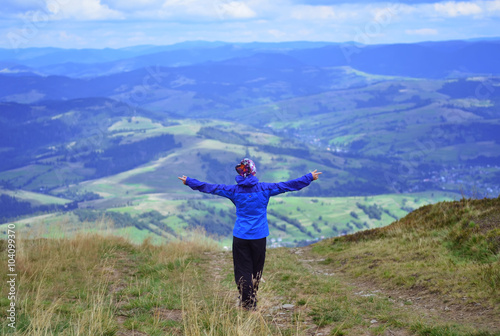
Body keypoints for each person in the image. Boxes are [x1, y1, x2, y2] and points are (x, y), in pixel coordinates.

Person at [178, 158, 322, 310]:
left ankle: (247, 302)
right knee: (256, 270)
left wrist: (190, 182)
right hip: (259, 237)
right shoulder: (265, 188)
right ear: (253, 171)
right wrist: (309, 177)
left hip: (240, 236)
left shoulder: (233, 190)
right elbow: (287, 185)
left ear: (240, 173)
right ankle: (251, 299)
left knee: (242, 269)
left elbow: (211, 187)